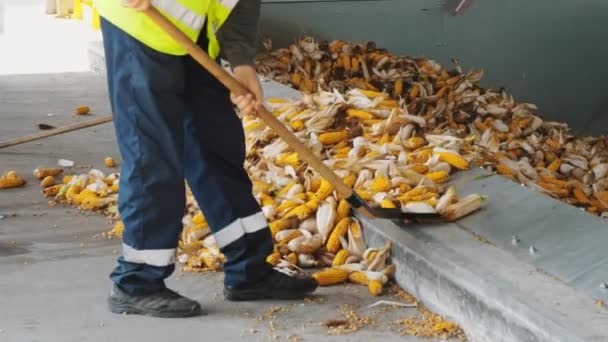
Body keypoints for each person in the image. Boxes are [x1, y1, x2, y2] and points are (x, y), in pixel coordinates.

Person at [97, 0, 318, 318]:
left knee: (216, 144)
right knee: (153, 157)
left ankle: (248, 269)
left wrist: (242, 63)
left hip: (193, 35)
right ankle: (136, 282)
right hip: (138, 25)